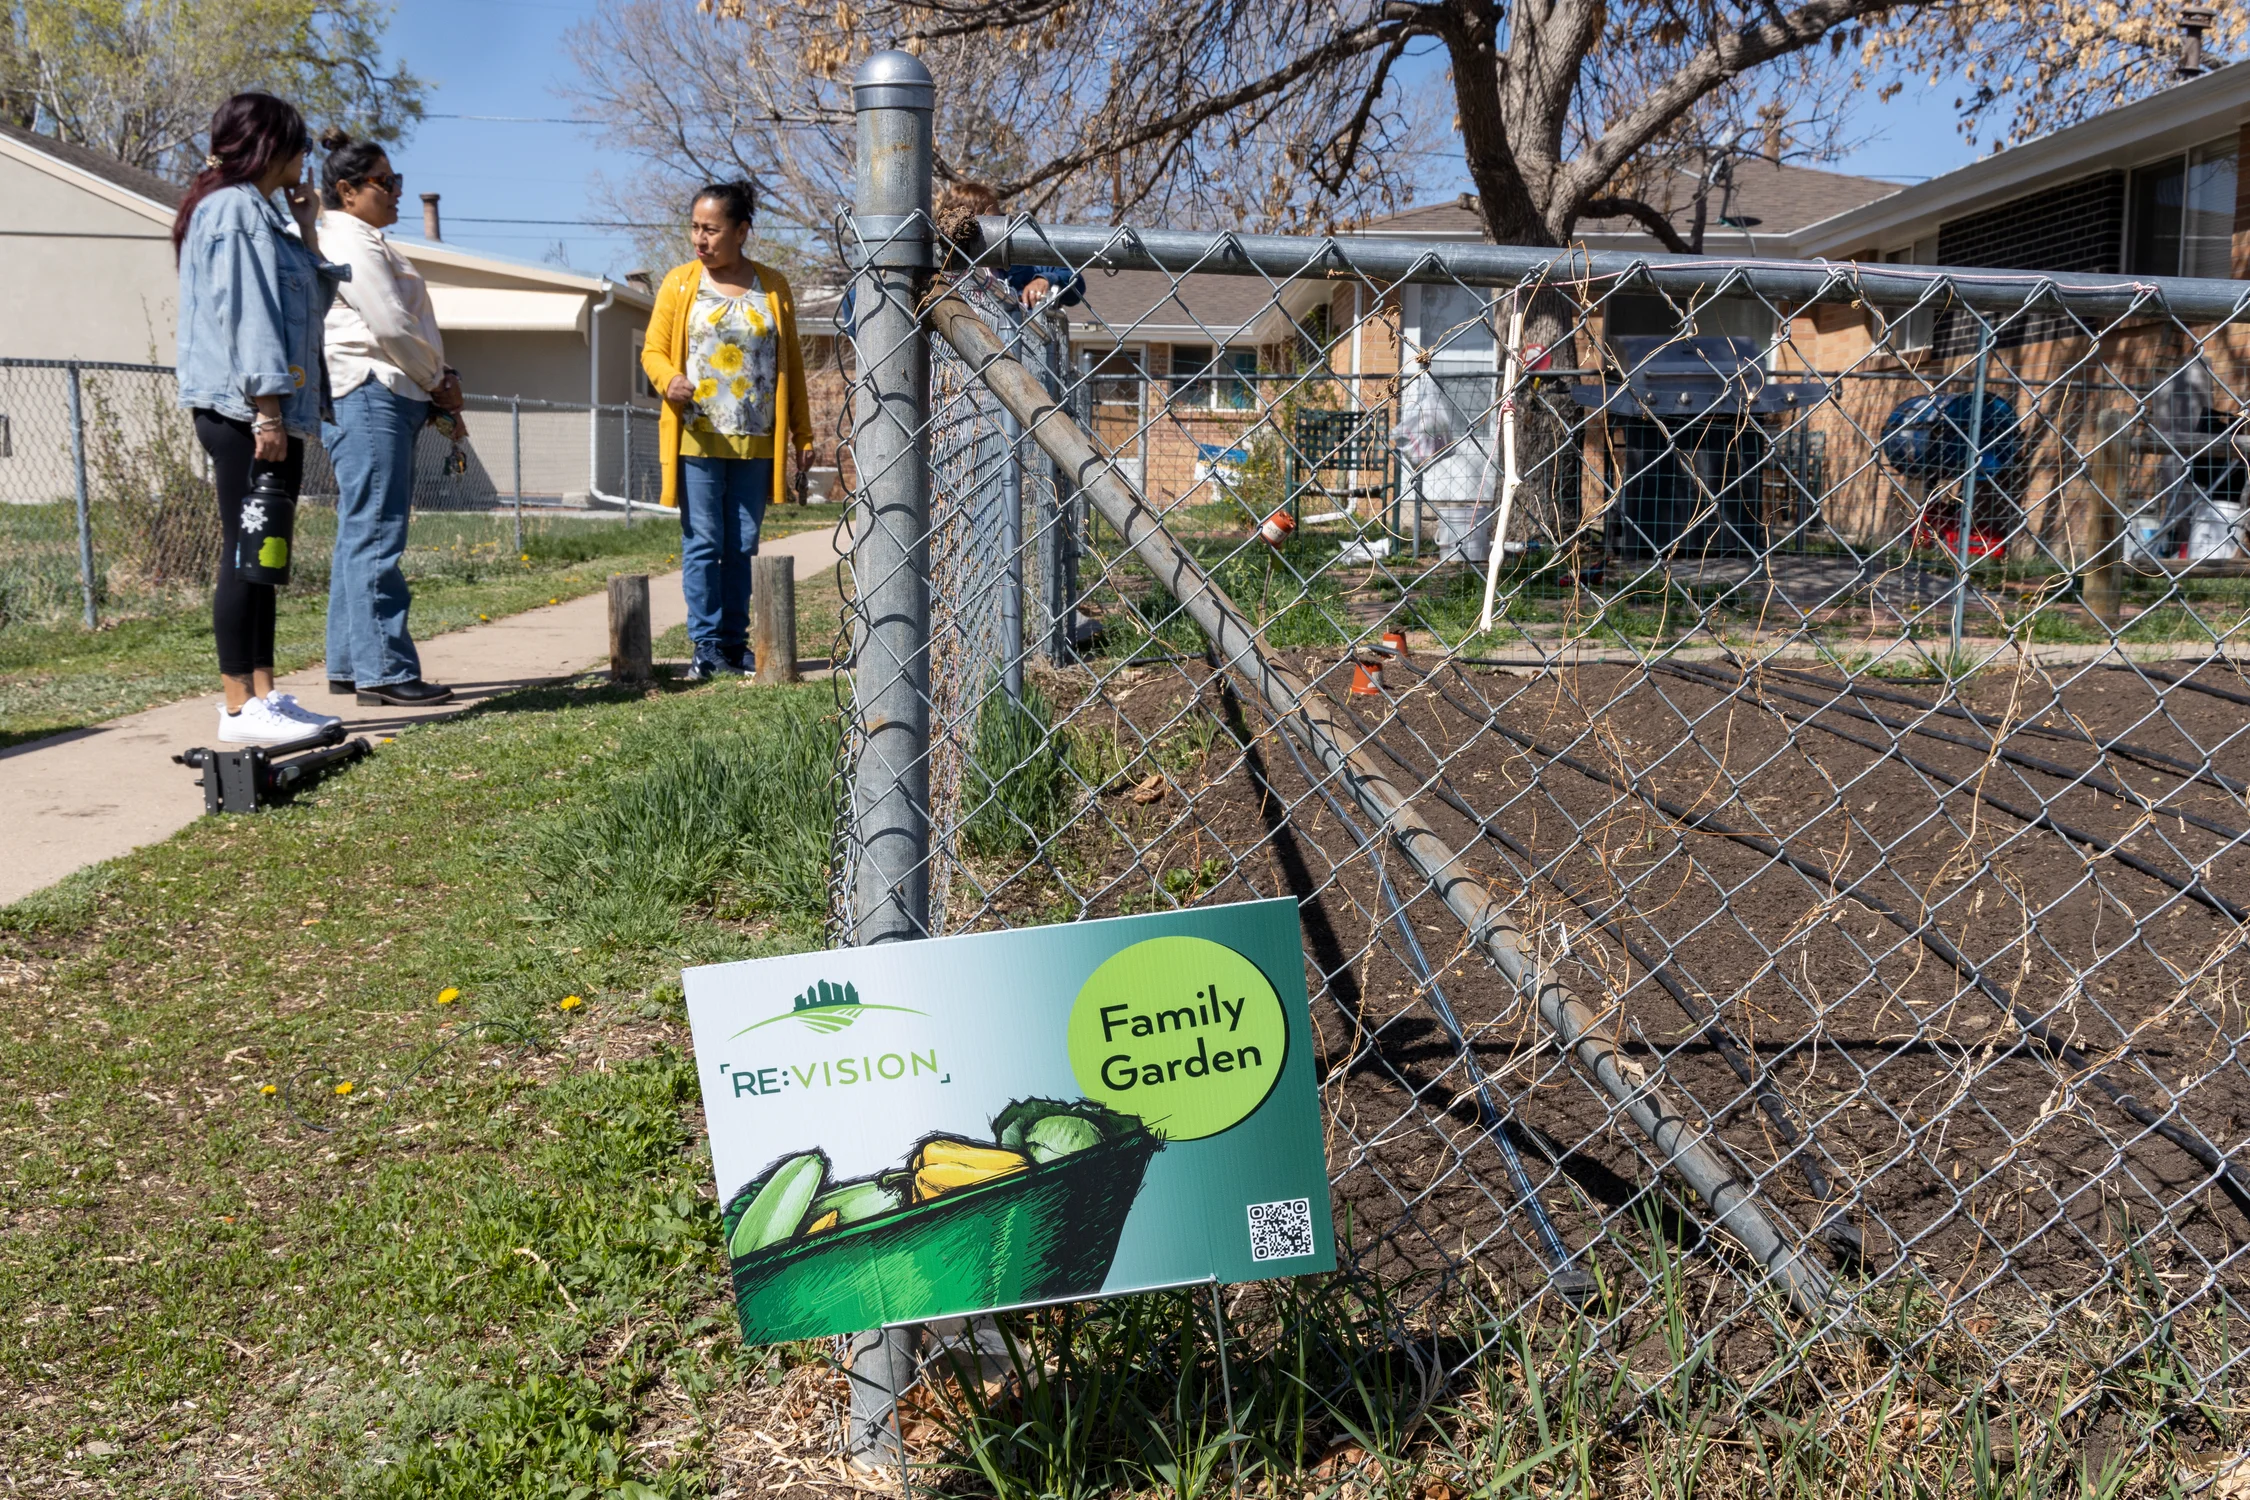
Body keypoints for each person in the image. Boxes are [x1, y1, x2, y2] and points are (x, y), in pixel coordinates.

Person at [173, 92, 347, 745]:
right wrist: (268, 409)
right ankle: (238, 706)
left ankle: (265, 694)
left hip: (268, 408)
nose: (307, 158)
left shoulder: (265, 214)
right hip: (246, 410)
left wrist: (306, 227)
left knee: (265, 550)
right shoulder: (235, 211)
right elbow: (249, 317)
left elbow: (313, 300)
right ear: (269, 147)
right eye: (299, 146)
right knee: (243, 552)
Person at [641, 180, 814, 681]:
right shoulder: (678, 283)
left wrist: (801, 435)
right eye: (695, 227)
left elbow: (792, 369)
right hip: (696, 436)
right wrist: (668, 379)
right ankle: (706, 645)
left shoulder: (774, 286)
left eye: (711, 229)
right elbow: (652, 349)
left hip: (757, 439)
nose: (700, 238)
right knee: (704, 542)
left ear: (741, 231)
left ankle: (735, 645)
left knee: (742, 544)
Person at [316, 128, 458, 707]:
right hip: (370, 391)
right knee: (377, 533)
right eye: (386, 183)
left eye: (397, 182)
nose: (397, 192)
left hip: (376, 393)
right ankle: (385, 669)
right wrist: (439, 380)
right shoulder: (349, 239)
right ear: (348, 191)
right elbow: (391, 324)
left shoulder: (362, 236)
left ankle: (351, 665)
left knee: (360, 531)